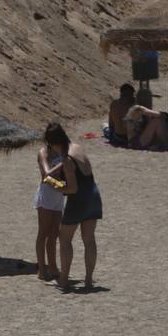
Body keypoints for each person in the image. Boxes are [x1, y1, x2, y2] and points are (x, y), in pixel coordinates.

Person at [50, 124, 102, 291]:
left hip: (79, 200)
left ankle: (63, 280)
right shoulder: (78, 147)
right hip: (93, 194)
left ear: (53, 143)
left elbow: (72, 188)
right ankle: (88, 280)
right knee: (89, 239)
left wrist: (57, 186)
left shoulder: (66, 159)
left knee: (64, 239)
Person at [33, 124, 67, 281]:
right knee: (43, 233)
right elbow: (46, 173)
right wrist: (64, 163)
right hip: (46, 194)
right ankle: (42, 268)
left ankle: (53, 267)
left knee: (55, 233)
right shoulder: (43, 152)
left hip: (59, 194)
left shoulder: (63, 149)